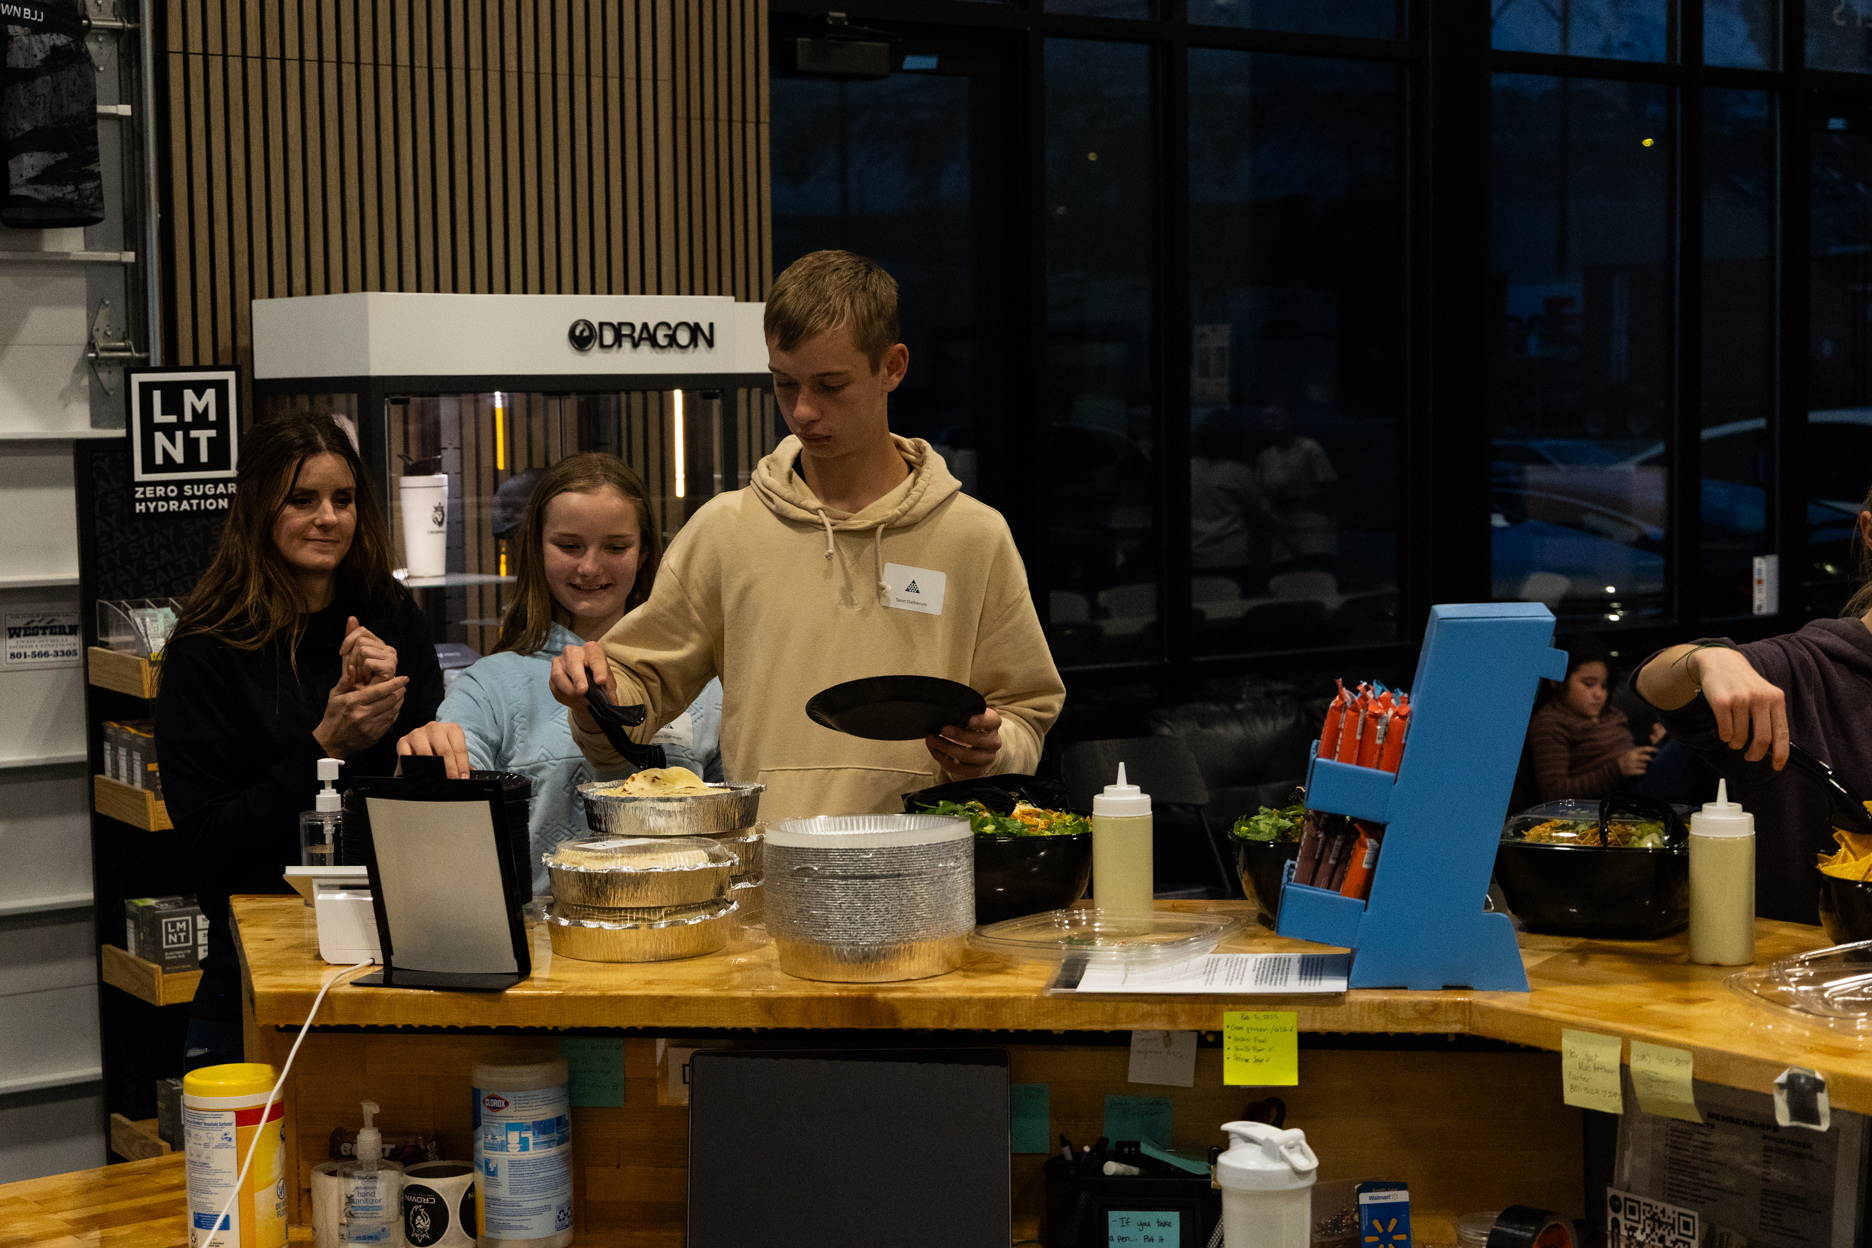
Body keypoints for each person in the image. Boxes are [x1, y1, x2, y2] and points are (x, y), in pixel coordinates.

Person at [548, 249, 1066, 820]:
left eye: (830, 384)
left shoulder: (974, 536)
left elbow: (1024, 711)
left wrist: (992, 751)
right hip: (775, 874)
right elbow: (637, 686)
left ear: (892, 367)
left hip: (931, 871)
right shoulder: (727, 532)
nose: (803, 410)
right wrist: (595, 693)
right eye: (784, 383)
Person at [157, 412, 443, 1070]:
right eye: (302, 499)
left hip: (388, 954)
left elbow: (429, 793)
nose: (327, 518)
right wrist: (324, 746)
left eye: (342, 500)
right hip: (253, 976)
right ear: (259, 506)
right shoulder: (210, 646)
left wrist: (396, 713)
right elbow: (207, 844)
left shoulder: (390, 616)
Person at [394, 454, 723, 891]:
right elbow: (446, 817)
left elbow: (736, 824)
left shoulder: (698, 683)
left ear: (644, 552)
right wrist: (423, 767)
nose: (590, 567)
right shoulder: (488, 686)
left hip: (689, 933)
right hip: (549, 944)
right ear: (537, 547)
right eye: (569, 546)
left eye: (615, 547)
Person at [1631, 483, 1872, 923]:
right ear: (1871, 532)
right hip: (1811, 975)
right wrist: (1706, 659)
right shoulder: (1801, 669)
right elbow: (1654, 683)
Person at [1526, 641, 1662, 801]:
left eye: (1604, 686)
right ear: (1558, 683)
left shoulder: (1609, 712)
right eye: (1589, 684)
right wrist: (1617, 770)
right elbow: (1554, 793)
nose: (1599, 694)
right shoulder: (1550, 722)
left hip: (1642, 779)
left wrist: (1655, 742)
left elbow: (1624, 749)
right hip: (1616, 797)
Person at [1254, 401, 1338, 568]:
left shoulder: (1310, 449)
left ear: (1290, 419)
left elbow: (1330, 488)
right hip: (1282, 535)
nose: (1271, 423)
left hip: (1312, 532)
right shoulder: (1265, 457)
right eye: (1267, 418)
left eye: (1276, 417)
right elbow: (1259, 494)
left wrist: (1296, 496)